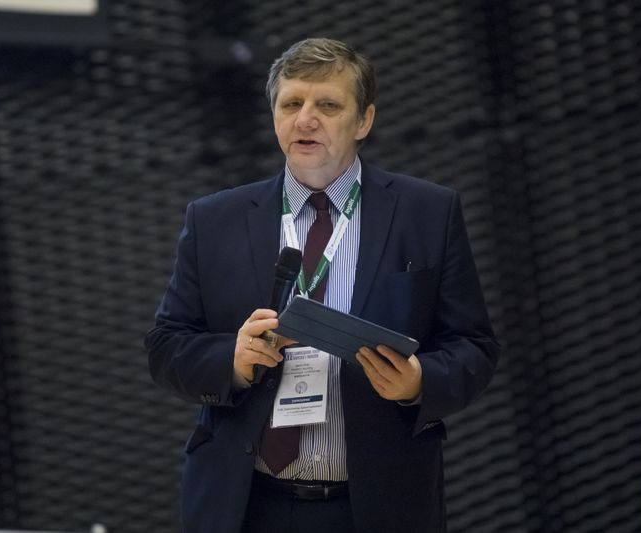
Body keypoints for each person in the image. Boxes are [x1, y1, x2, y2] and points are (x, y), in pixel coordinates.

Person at [145, 37, 499, 533]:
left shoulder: (427, 212)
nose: (305, 119)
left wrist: (419, 381)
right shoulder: (214, 219)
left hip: (376, 504)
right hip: (245, 503)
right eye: (291, 104)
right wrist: (233, 360)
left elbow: (474, 347)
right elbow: (166, 347)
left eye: (327, 105)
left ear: (364, 121)